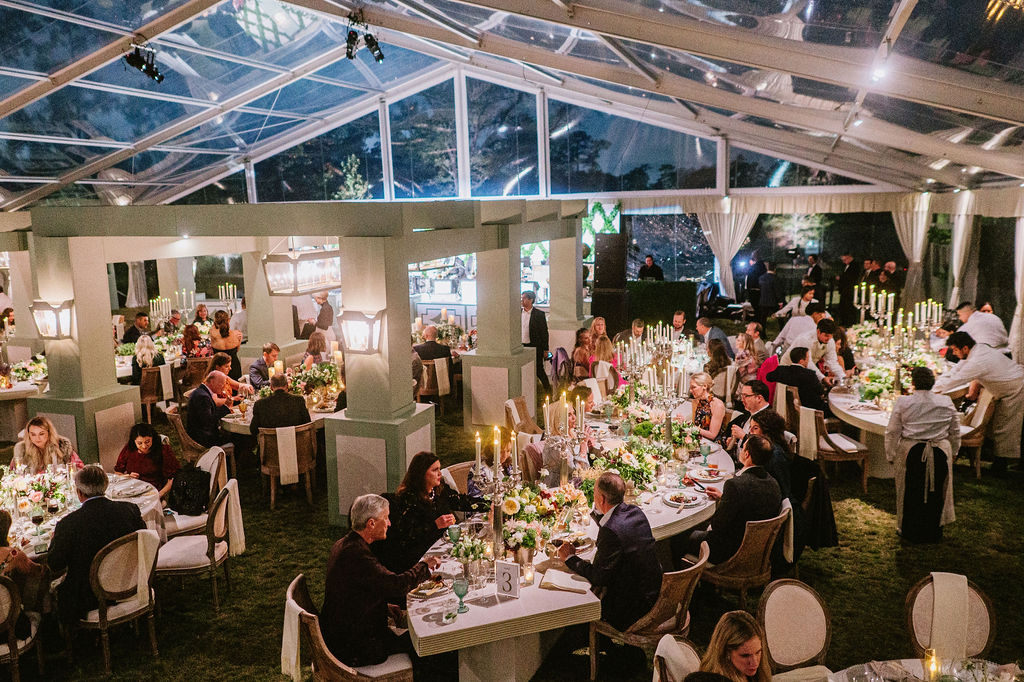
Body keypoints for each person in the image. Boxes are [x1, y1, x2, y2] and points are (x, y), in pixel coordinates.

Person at [320, 493, 441, 668]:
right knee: (428, 644)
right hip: (356, 647)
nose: (390, 523)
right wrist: (425, 566)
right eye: (386, 518)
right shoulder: (357, 555)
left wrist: (382, 606)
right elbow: (397, 585)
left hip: (344, 633)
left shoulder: (344, 544)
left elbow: (352, 593)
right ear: (371, 523)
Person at [557, 472, 662, 631]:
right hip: (655, 592)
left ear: (602, 499)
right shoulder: (635, 511)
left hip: (635, 606)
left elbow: (599, 577)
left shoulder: (610, 532)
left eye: (594, 493)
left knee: (578, 614)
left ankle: (607, 649)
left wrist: (570, 558)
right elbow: (615, 526)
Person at [47, 465, 145, 624]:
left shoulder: (68, 524)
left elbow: (55, 564)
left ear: (79, 492)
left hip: (89, 596)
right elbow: (143, 539)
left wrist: (54, 540)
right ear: (105, 486)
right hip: (130, 580)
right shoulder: (129, 510)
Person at [374, 452, 488, 573]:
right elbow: (407, 536)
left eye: (439, 468)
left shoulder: (439, 491)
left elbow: (462, 501)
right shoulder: (408, 499)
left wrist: (490, 505)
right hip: (418, 557)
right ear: (421, 474)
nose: (440, 473)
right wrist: (435, 525)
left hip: (441, 551)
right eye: (435, 470)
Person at [678, 435, 782, 565]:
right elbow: (752, 504)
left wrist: (725, 501)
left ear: (747, 454)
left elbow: (717, 524)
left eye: (743, 448)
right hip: (757, 550)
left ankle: (688, 580)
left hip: (729, 551)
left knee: (678, 537)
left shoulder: (735, 485)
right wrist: (724, 497)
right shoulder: (773, 483)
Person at [884, 367, 960, 543]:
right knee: (937, 491)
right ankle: (933, 530)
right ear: (933, 382)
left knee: (910, 491)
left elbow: (892, 431)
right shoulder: (946, 401)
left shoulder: (904, 402)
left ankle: (909, 530)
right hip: (940, 452)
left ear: (913, 383)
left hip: (912, 451)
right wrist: (954, 451)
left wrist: (890, 454)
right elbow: (955, 431)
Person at [935, 331, 1024, 471]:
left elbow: (958, 379)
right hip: (1009, 387)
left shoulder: (977, 360)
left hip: (1016, 387)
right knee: (1001, 426)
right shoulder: (977, 350)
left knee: (1006, 428)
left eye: (956, 350)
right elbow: (954, 372)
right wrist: (936, 384)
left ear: (965, 348)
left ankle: (1001, 466)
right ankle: (999, 463)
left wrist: (931, 390)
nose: (955, 353)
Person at [700, 610, 771, 682]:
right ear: (727, 653)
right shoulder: (713, 679)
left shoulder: (756, 675)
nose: (754, 662)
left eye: (758, 652)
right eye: (745, 655)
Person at [114, 423, 180, 500]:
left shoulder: (163, 450)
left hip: (153, 491)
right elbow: (117, 473)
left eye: (147, 442)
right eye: (139, 443)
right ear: (134, 441)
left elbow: (173, 478)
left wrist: (159, 494)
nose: (144, 446)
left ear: (153, 438)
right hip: (132, 490)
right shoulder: (129, 449)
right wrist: (128, 476)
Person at [11, 415, 84, 472]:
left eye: (41, 434)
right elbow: (13, 474)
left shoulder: (63, 446)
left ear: (49, 433)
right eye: (33, 434)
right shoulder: (21, 450)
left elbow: (78, 469)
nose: (37, 438)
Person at [781, 318, 844, 382]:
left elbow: (832, 362)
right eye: (826, 336)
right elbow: (808, 363)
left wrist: (843, 377)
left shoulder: (830, 341)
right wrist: (823, 378)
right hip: (788, 367)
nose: (828, 339)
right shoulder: (805, 339)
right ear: (818, 331)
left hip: (804, 370)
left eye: (831, 336)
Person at [767, 347, 828, 413]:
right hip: (810, 410)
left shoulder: (781, 370)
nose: (808, 361)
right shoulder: (810, 374)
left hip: (787, 409)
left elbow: (768, 377)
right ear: (801, 361)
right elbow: (821, 392)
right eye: (808, 358)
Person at [749, 410, 792, 501]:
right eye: (750, 427)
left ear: (767, 431)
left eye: (755, 428)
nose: (750, 432)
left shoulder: (776, 456)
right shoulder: (762, 448)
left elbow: (783, 491)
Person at [186, 371, 231, 447]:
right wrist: (225, 407)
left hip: (201, 434)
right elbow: (208, 421)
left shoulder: (201, 391)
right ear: (212, 382)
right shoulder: (203, 397)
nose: (224, 387)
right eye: (222, 383)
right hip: (204, 439)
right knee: (240, 437)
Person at [936, 302, 1008, 350]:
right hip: (1006, 353)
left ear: (966, 313)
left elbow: (953, 339)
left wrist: (933, 347)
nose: (960, 318)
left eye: (960, 315)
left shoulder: (971, 323)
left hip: (990, 355)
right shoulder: (994, 317)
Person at [726, 380, 771, 451]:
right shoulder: (749, 412)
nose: (742, 400)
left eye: (746, 396)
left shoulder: (770, 418)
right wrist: (736, 443)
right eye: (742, 396)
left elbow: (764, 448)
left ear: (759, 398)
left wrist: (743, 437)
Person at [522, 290, 550, 392]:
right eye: (522, 297)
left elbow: (544, 333)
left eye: (524, 298)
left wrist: (546, 349)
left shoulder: (539, 314)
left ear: (531, 300)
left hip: (535, 346)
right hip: (521, 346)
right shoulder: (517, 313)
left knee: (539, 369)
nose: (522, 300)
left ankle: (547, 389)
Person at [690, 372, 728, 446]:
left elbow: (712, 435)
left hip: (713, 445)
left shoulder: (717, 404)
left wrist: (690, 428)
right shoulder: (695, 402)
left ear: (704, 386)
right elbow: (695, 424)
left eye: (693, 387)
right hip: (698, 440)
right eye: (690, 388)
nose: (691, 391)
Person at [209, 310, 243, 381]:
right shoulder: (237, 334)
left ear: (215, 321)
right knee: (235, 390)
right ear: (228, 320)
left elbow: (213, 328)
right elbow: (237, 349)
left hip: (219, 367)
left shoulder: (213, 334)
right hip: (234, 366)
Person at [835, 253, 859, 325]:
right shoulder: (846, 266)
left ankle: (848, 323)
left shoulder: (855, 266)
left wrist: (841, 278)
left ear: (849, 257)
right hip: (844, 290)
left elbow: (851, 278)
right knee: (843, 308)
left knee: (848, 308)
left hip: (849, 291)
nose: (843, 261)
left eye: (845, 259)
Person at [757, 261, 784, 328]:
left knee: (763, 319)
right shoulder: (776, 278)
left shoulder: (761, 278)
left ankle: (762, 333)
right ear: (775, 268)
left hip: (763, 301)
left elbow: (760, 289)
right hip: (773, 301)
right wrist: (780, 301)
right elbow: (777, 291)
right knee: (780, 318)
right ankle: (782, 330)